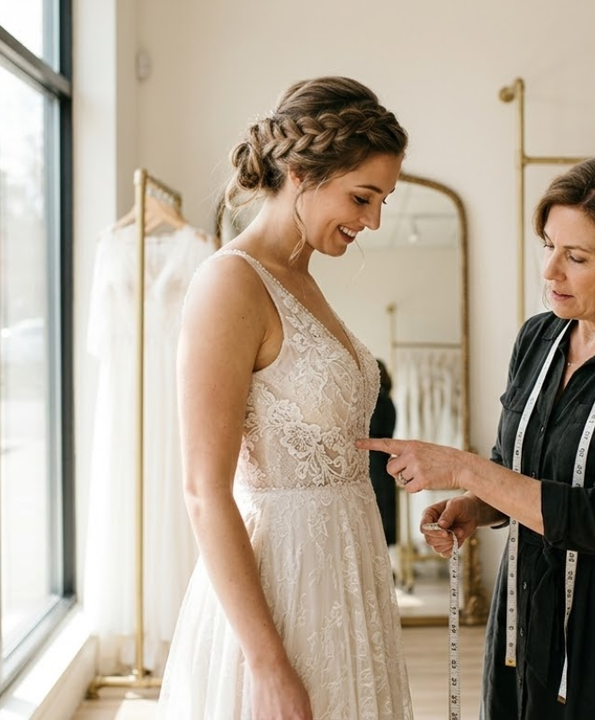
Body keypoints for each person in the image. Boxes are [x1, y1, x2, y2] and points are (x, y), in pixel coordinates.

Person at [359, 153, 595, 718]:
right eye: (548, 245)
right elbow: (516, 468)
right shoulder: (539, 338)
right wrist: (475, 508)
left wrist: (464, 468)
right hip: (526, 601)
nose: (550, 271)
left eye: (576, 256)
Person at [159, 76, 413, 720]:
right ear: (301, 172)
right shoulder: (230, 285)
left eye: (382, 200)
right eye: (363, 197)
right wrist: (266, 663)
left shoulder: (300, 278)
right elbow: (203, 490)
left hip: (347, 575)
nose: (373, 221)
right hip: (282, 589)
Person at [369, 359, 398, 546]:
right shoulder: (389, 402)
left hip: (372, 465)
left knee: (375, 520)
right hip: (385, 465)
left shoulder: (375, 402)